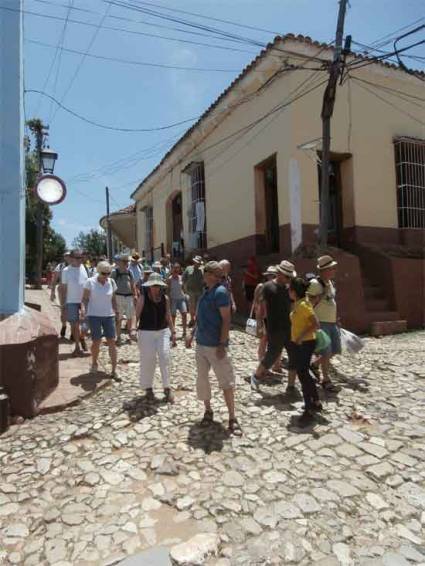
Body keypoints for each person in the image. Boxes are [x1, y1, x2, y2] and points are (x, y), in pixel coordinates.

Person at [186, 261, 241, 435]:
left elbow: (226, 319)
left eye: (204, 273)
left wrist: (222, 344)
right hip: (201, 344)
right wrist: (192, 333)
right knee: (202, 380)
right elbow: (201, 317)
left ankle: (232, 417)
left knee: (226, 382)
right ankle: (208, 411)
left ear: (210, 275)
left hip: (215, 346)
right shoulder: (207, 292)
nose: (202, 275)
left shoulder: (220, 292)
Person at [251, 260, 297, 395]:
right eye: (287, 276)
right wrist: (259, 325)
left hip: (290, 327)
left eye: (290, 277)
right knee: (272, 354)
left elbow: (294, 305)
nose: (289, 279)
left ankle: (291, 386)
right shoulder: (267, 287)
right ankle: (257, 376)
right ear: (280, 274)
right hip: (274, 327)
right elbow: (260, 307)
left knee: (294, 355)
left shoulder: (290, 289)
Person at [136, 272, 177, 403]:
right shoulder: (143, 298)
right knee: (148, 359)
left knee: (165, 357)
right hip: (146, 332)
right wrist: (131, 328)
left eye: (157, 285)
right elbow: (135, 315)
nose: (155, 288)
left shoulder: (165, 299)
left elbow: (168, 315)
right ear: (149, 286)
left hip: (162, 331)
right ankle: (148, 388)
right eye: (153, 285)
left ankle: (167, 387)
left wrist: (173, 331)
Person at [288, 277, 322, 426]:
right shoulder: (300, 303)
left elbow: (316, 324)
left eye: (290, 289)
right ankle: (315, 401)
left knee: (303, 375)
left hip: (306, 343)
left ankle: (308, 410)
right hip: (302, 343)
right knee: (304, 373)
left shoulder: (302, 305)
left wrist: (300, 337)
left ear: (294, 292)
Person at [307, 255, 341, 392]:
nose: (334, 270)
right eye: (332, 268)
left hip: (331, 322)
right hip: (321, 323)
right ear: (325, 270)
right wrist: (322, 294)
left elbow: (331, 301)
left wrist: (336, 318)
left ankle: (314, 365)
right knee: (326, 352)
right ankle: (325, 379)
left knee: (334, 350)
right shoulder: (315, 283)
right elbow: (308, 302)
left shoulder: (330, 283)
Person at [81, 261, 119, 380]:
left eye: (108, 273)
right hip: (94, 315)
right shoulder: (90, 282)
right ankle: (94, 363)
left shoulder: (111, 282)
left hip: (109, 315)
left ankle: (114, 370)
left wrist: (116, 311)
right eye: (104, 273)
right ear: (98, 271)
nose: (106, 276)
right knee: (96, 341)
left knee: (112, 341)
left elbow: (113, 299)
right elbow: (85, 299)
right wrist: (83, 311)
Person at [61, 249, 89, 356]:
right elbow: (63, 288)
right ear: (71, 258)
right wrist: (63, 304)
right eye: (78, 258)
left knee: (86, 326)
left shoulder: (84, 267)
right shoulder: (66, 271)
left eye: (81, 257)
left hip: (84, 301)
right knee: (74, 325)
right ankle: (77, 346)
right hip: (71, 301)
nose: (80, 260)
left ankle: (82, 337)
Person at [252, 265, 279, 365]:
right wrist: (258, 321)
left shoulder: (277, 288)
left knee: (272, 342)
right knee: (264, 340)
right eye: (270, 275)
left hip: (274, 318)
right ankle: (261, 362)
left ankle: (271, 363)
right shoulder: (261, 287)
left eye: (273, 275)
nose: (271, 277)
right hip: (264, 317)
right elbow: (256, 304)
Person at [111, 254, 137, 345]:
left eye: (127, 261)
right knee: (119, 318)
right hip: (118, 296)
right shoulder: (115, 272)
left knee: (130, 317)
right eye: (124, 261)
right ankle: (118, 337)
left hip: (129, 296)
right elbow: (111, 285)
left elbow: (133, 284)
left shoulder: (130, 272)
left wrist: (135, 295)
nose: (126, 263)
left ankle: (130, 336)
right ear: (120, 262)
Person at [50, 251, 71, 339]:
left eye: (69, 256)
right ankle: (64, 325)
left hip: (73, 290)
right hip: (62, 290)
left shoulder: (76, 266)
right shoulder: (60, 266)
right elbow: (55, 279)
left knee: (73, 310)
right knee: (63, 309)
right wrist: (52, 292)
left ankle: (73, 331)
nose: (67, 257)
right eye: (65, 256)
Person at [182, 256, 204, 327]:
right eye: (196, 262)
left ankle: (198, 319)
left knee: (199, 306)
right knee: (192, 306)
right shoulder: (188, 268)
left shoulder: (202, 270)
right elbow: (184, 279)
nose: (197, 264)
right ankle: (192, 319)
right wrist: (185, 290)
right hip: (191, 291)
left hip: (199, 290)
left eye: (198, 263)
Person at [167, 263, 188, 338]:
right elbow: (168, 290)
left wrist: (185, 294)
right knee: (173, 316)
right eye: (175, 268)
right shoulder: (169, 279)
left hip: (181, 298)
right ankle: (173, 332)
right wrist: (168, 301)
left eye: (177, 268)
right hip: (173, 299)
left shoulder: (181, 277)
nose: (176, 270)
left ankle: (185, 332)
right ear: (172, 269)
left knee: (184, 313)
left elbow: (183, 288)